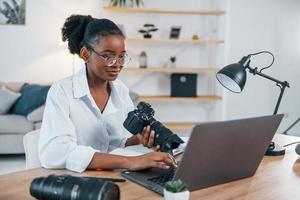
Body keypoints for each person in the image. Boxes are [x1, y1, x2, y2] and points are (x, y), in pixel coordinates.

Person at [38, 14, 177, 173]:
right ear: (85, 54)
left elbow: (118, 142)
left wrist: (138, 140)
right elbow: (56, 152)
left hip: (115, 175)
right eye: (108, 56)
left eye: (121, 56)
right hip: (78, 180)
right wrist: (130, 162)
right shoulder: (61, 92)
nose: (117, 64)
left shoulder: (121, 90)